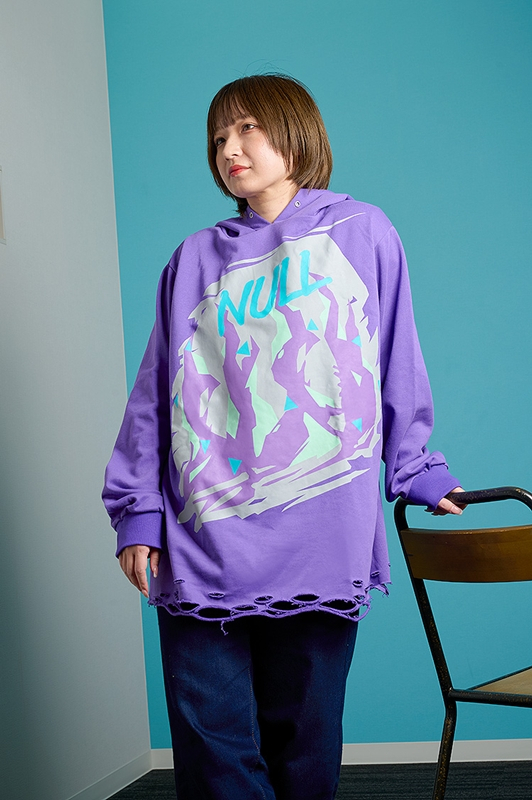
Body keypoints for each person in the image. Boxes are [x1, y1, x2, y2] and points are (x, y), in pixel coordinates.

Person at [103, 74, 464, 800]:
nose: (229, 148)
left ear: (296, 133)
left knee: (303, 739)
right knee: (212, 744)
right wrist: (138, 510)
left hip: (320, 525)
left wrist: (416, 465)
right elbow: (154, 394)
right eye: (218, 137)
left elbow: (396, 354)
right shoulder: (193, 258)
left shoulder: (362, 231)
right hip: (204, 529)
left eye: (247, 128)